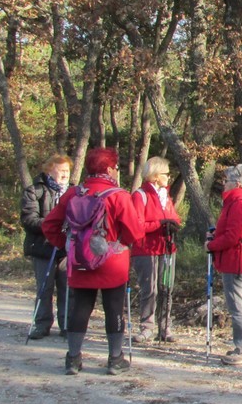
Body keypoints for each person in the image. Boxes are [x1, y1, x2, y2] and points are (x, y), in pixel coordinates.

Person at [42, 147, 144, 375]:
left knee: (80, 307)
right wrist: (120, 243)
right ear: (109, 168)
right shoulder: (119, 195)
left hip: (80, 258)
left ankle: (73, 359)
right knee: (114, 309)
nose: (117, 170)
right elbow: (135, 233)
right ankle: (115, 359)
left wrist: (67, 245)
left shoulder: (74, 193)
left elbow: (49, 225)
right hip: (112, 260)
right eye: (116, 167)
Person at [206, 164, 242, 366]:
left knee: (237, 305)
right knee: (240, 303)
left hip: (236, 261)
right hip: (236, 259)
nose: (224, 183)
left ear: (237, 183)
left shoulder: (240, 204)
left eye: (227, 180)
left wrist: (211, 245)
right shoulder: (237, 202)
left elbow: (233, 236)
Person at [20, 154, 72, 339]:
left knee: (67, 287)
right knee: (45, 287)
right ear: (50, 170)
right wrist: (52, 226)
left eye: (67, 170)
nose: (66, 174)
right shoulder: (34, 190)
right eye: (61, 170)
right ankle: (42, 324)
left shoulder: (73, 192)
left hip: (66, 248)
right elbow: (28, 219)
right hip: (43, 246)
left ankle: (67, 324)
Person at [131, 156, 181, 343]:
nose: (169, 177)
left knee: (166, 287)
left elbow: (174, 217)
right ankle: (146, 327)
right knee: (149, 289)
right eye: (165, 174)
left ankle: (165, 326)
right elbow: (137, 224)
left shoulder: (165, 196)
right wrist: (159, 224)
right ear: (155, 175)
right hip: (146, 249)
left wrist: (173, 224)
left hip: (167, 248)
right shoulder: (140, 195)